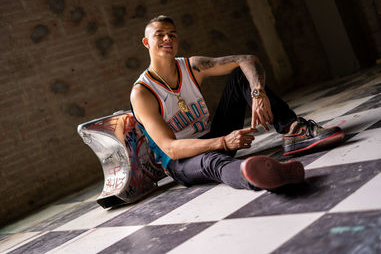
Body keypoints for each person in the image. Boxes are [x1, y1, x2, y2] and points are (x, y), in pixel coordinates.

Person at [130, 15, 344, 191]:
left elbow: (247, 60)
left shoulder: (191, 66)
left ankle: (294, 131)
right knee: (212, 163)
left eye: (172, 34)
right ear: (147, 42)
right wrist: (224, 142)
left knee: (240, 76)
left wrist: (258, 93)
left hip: (212, 136)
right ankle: (263, 176)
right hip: (181, 161)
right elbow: (171, 149)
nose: (168, 38)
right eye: (160, 35)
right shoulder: (143, 93)